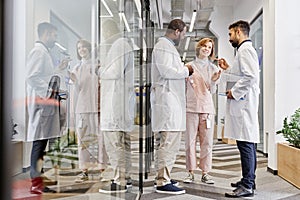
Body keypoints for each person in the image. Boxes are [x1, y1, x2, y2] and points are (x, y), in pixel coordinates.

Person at [151, 19, 193, 195]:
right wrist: (186, 70)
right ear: (177, 31)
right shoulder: (163, 46)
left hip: (168, 100)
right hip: (167, 101)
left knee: (165, 142)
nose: (183, 37)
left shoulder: (166, 47)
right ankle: (163, 181)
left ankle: (162, 176)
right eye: (183, 34)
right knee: (168, 142)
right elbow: (167, 71)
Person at [26, 22, 70, 194]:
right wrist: (49, 92)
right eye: (53, 35)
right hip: (41, 105)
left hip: (45, 105)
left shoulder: (44, 52)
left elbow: (45, 75)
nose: (55, 38)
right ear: (45, 34)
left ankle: (39, 181)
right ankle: (36, 183)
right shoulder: (38, 52)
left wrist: (58, 69)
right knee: (39, 144)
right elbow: (32, 77)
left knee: (42, 144)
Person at [218, 20, 260, 198]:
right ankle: (248, 180)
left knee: (246, 144)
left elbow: (250, 77)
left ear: (238, 32)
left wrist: (233, 93)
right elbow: (243, 74)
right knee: (247, 143)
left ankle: (248, 185)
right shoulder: (243, 51)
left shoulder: (245, 50)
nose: (229, 38)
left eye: (230, 34)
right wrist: (228, 68)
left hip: (243, 105)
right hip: (243, 104)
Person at [98, 19, 135, 193]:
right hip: (120, 103)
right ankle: (125, 178)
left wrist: (100, 70)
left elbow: (113, 72)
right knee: (123, 143)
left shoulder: (119, 45)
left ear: (108, 32)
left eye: (104, 32)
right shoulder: (123, 45)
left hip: (115, 104)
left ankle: (119, 180)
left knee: (115, 144)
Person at [183, 38, 221, 185]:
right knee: (190, 141)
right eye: (204, 46)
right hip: (191, 109)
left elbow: (212, 90)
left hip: (207, 109)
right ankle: (190, 172)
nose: (207, 49)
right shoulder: (188, 67)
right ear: (199, 48)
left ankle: (205, 173)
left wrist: (215, 80)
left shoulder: (213, 68)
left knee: (206, 142)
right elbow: (183, 88)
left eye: (210, 47)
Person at [68, 39, 107, 183]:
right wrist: (72, 78)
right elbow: (77, 90)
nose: (82, 49)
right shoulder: (76, 69)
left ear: (89, 48)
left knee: (102, 140)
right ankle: (84, 171)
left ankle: (103, 168)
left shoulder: (98, 65)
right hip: (83, 109)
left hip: (98, 108)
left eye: (84, 47)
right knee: (83, 142)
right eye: (79, 48)